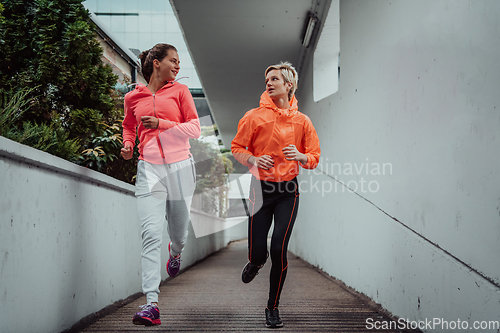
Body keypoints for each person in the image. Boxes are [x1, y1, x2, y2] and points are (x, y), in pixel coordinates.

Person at [231, 61, 321, 328]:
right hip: (260, 189)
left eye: (274, 79)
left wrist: (302, 156)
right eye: (267, 79)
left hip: (287, 192)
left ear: (288, 85)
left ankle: (272, 306)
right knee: (259, 251)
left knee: (279, 248)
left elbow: (314, 156)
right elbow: (237, 148)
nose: (268, 83)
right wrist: (254, 159)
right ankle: (256, 262)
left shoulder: (302, 121)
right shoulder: (253, 117)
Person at [121, 43, 200, 326]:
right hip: (149, 168)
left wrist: (161, 123)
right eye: (173, 60)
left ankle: (175, 252)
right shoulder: (133, 97)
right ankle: (151, 303)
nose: (178, 66)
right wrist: (129, 143)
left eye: (179, 62)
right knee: (151, 233)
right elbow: (128, 125)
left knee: (178, 233)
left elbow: (195, 128)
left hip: (180, 166)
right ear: (156, 62)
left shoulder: (180, 91)